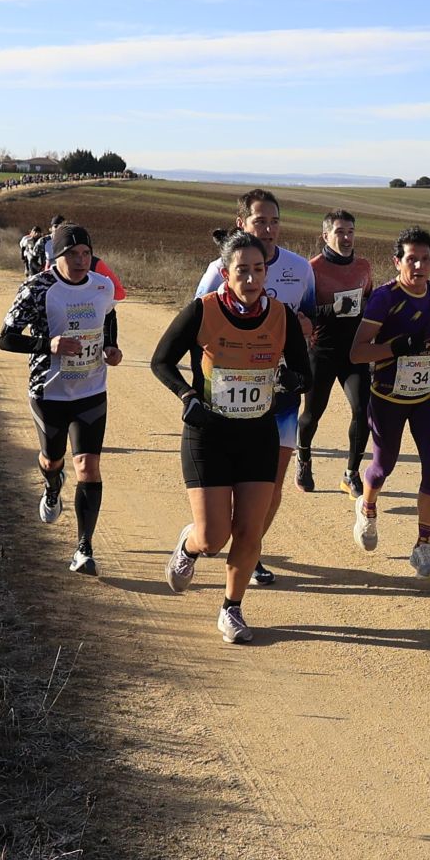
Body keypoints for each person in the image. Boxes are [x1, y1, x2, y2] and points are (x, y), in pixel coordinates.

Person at [153, 232, 312, 643]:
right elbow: (161, 361)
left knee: (250, 530)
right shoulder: (202, 311)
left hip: (258, 433)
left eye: (258, 270)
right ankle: (189, 546)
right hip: (208, 434)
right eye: (242, 270)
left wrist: (293, 379)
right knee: (213, 537)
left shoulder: (281, 316)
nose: (252, 278)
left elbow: (303, 373)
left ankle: (232, 609)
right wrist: (187, 394)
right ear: (226, 273)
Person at [195, 189, 315, 587]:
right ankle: (215, 536)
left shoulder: (300, 268)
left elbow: (311, 320)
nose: (269, 228)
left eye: (275, 221)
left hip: (277, 399)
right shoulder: (218, 270)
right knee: (226, 494)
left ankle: (252, 550)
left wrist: (303, 333)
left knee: (272, 484)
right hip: (224, 401)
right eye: (260, 221)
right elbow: (198, 327)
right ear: (241, 224)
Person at [0, 224, 122, 575]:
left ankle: (84, 548)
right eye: (72, 255)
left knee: (88, 467)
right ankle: (52, 487)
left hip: (91, 390)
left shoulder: (102, 285)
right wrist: (45, 344)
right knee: (53, 461)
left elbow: (109, 315)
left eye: (86, 253)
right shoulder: (37, 289)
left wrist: (110, 346)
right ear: (57, 256)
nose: (81, 261)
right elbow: (5, 339)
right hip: (48, 391)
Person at [349, 227, 430, 579]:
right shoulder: (384, 298)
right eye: (411, 259)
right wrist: (395, 347)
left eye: (425, 259)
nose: (419, 265)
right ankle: (368, 505)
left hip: (426, 398)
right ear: (397, 262)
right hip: (388, 396)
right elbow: (358, 352)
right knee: (383, 466)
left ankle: (423, 545)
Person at [298, 209, 376, 495]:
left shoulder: (364, 266)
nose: (346, 238)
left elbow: (369, 301)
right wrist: (333, 309)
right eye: (340, 232)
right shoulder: (312, 268)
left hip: (354, 351)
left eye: (350, 232)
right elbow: (303, 313)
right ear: (326, 235)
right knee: (312, 414)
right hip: (322, 350)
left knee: (363, 410)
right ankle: (304, 458)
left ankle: (351, 473)